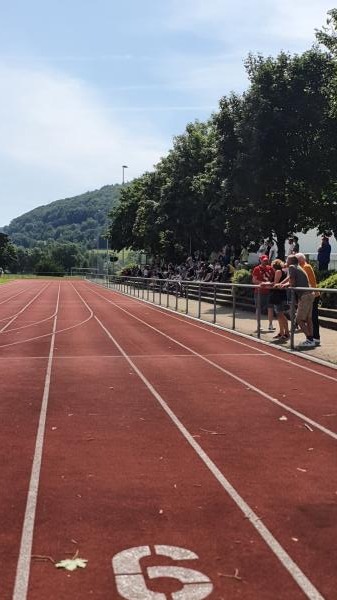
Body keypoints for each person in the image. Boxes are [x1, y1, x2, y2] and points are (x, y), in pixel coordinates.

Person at [278, 255, 315, 348]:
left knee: (299, 319)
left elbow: (292, 282)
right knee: (308, 319)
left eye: (287, 259)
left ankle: (310, 339)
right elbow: (290, 279)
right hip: (310, 294)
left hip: (305, 295)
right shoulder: (297, 267)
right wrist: (282, 284)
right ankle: (311, 339)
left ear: (291, 261)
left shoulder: (291, 267)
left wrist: (284, 286)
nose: (286, 260)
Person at [296, 253, 320, 346]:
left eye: (296, 259)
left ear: (300, 259)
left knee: (312, 317)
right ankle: (314, 337)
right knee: (311, 317)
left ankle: (314, 338)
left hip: (312, 295)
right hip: (312, 294)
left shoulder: (305, 267)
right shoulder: (304, 266)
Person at [252, 255, 275, 331]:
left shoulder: (271, 268)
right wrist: (264, 283)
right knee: (258, 308)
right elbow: (254, 281)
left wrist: (271, 283)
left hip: (269, 292)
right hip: (259, 292)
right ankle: (259, 325)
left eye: (266, 260)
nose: (265, 261)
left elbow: (275, 278)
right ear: (260, 260)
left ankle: (270, 325)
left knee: (270, 308)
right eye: (264, 260)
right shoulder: (257, 269)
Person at [270, 259, 289, 342]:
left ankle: (287, 333)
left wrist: (267, 284)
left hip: (278, 295)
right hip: (280, 294)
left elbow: (275, 284)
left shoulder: (278, 271)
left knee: (280, 314)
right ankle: (281, 332)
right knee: (279, 314)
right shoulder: (283, 271)